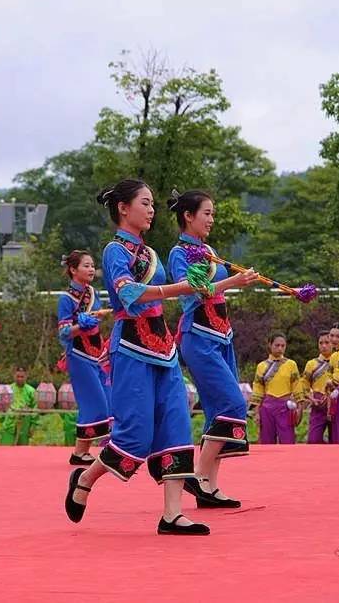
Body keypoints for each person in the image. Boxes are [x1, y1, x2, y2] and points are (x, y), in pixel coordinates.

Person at [65, 179, 218, 536]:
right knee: (134, 434)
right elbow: (130, 294)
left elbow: (163, 293)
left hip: (163, 348)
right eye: (145, 203)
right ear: (123, 208)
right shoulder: (114, 251)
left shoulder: (151, 255)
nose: (151, 210)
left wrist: (194, 284)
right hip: (132, 347)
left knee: (177, 424)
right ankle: (85, 478)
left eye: (152, 205)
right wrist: (180, 288)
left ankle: (172, 514)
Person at [168, 189, 259, 508]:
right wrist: (235, 282)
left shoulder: (208, 251)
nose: (211, 219)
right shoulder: (179, 254)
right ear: (188, 216)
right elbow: (191, 294)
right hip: (199, 337)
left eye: (212, 214)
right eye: (206, 213)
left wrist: (237, 278)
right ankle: (198, 475)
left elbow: (213, 290)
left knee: (216, 412)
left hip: (222, 336)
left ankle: (209, 486)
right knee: (234, 404)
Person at [56, 250, 112, 465]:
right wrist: (81, 326)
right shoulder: (66, 299)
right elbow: (63, 332)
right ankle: (80, 452)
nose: (91, 269)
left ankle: (84, 451)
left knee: (106, 399)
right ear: (73, 269)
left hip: (96, 355)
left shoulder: (93, 293)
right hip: (79, 356)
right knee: (93, 402)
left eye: (92, 265)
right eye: (86, 266)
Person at [250, 333, 302, 444]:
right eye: (277, 345)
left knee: (288, 440)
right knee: (267, 441)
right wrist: (256, 412)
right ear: (270, 345)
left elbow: (297, 386)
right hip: (267, 406)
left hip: (285, 406)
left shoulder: (291, 364)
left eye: (283, 346)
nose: (280, 348)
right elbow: (258, 390)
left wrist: (300, 408)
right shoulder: (262, 366)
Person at [300, 330, 335, 444]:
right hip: (318, 404)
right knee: (313, 440)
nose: (324, 346)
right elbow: (304, 384)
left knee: (337, 440)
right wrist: (311, 399)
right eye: (321, 343)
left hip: (335, 404)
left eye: (327, 342)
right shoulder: (312, 364)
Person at [0, 367, 38, 445]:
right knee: (5, 448)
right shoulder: (8, 389)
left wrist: (33, 426)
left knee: (22, 450)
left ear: (26, 376)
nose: (20, 379)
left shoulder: (31, 391)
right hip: (9, 422)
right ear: (14, 376)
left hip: (25, 422)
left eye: (22, 377)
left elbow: (35, 409)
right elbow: (1, 406)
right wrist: (2, 420)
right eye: (18, 376)